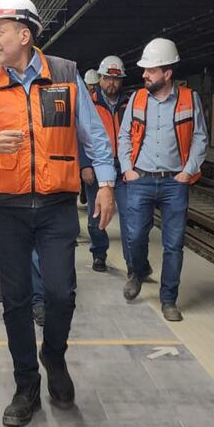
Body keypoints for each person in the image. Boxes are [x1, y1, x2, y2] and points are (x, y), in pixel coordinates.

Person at [0, 0, 116, 427]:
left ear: (24, 34)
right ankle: (26, 384)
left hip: (55, 206)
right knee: (14, 301)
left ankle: (54, 356)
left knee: (60, 293)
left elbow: (95, 137)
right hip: (6, 208)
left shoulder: (65, 75)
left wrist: (105, 184)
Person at [117, 38, 208, 322]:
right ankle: (137, 272)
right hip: (140, 178)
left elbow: (200, 137)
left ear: (167, 73)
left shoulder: (189, 99)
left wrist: (187, 171)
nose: (144, 74)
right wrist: (127, 168)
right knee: (133, 236)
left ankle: (169, 300)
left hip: (174, 183)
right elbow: (123, 137)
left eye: (151, 70)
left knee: (173, 244)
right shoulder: (137, 98)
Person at [81, 55, 130, 272]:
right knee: (96, 215)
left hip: (124, 166)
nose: (112, 83)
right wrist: (85, 165)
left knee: (130, 217)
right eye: (108, 78)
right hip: (97, 166)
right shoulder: (88, 103)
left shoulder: (129, 103)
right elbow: (79, 136)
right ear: (100, 78)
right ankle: (99, 253)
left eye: (116, 79)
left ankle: (134, 264)